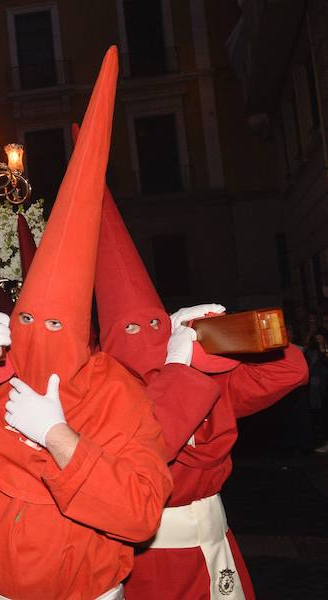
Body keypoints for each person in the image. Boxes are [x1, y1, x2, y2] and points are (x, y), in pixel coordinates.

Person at [0, 47, 173, 599]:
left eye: (51, 325)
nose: (35, 332)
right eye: (25, 318)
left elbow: (141, 514)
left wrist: (59, 436)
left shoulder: (118, 393)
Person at [90, 158, 309, 599]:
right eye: (129, 330)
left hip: (213, 544)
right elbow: (151, 437)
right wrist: (174, 367)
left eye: (153, 324)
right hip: (149, 560)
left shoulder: (197, 369)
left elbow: (294, 368)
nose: (145, 337)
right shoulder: (102, 392)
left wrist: (226, 338)